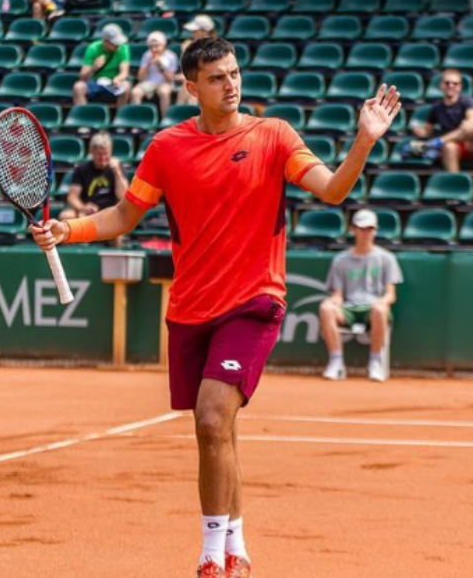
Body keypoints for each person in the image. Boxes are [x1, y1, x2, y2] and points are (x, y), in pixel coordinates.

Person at [30, 37, 400, 578]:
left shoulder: (273, 135)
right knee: (220, 432)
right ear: (191, 87)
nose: (231, 85)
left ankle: (209, 556)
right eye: (217, 78)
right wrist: (70, 229)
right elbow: (124, 216)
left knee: (210, 418)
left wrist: (364, 142)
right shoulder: (167, 147)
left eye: (234, 73)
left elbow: (333, 191)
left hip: (255, 300)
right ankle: (237, 543)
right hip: (191, 306)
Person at [319, 208, 403, 383]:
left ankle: (375, 362)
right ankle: (336, 362)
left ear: (375, 231)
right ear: (353, 230)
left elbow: (391, 294)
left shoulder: (387, 258)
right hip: (348, 308)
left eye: (370, 229)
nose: (366, 233)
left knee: (380, 309)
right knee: (326, 308)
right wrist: (333, 301)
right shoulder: (340, 260)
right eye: (362, 228)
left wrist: (381, 303)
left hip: (373, 309)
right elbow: (338, 294)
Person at [407, 68, 473, 172]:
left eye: (455, 83)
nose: (451, 86)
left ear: (460, 86)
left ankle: (439, 142)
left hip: (471, 145)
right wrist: (419, 131)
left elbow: (472, 120)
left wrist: (441, 140)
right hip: (451, 146)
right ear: (441, 85)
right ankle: (455, 183)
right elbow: (426, 131)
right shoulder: (437, 107)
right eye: (447, 83)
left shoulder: (467, 101)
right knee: (449, 147)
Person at [60, 132, 128, 219]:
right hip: (88, 210)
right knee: (66, 216)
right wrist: (83, 207)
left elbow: (123, 196)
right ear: (92, 152)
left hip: (111, 211)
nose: (103, 158)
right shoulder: (81, 170)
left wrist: (117, 172)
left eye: (106, 154)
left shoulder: (117, 168)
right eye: (99, 155)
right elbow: (72, 197)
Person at [72, 24, 131, 107]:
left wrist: (118, 79)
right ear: (105, 41)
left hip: (113, 83)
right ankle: (84, 115)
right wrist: (94, 68)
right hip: (96, 82)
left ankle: (120, 115)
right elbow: (83, 76)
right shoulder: (93, 48)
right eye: (114, 44)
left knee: (126, 86)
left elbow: (124, 72)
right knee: (78, 87)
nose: (117, 46)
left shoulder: (123, 48)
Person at [130, 31, 179, 115]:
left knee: (164, 92)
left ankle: (165, 119)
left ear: (163, 45)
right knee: (135, 92)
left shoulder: (171, 56)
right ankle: (137, 119)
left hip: (165, 83)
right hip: (149, 82)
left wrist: (160, 66)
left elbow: (171, 78)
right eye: (151, 47)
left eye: (156, 46)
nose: (153, 49)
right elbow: (140, 77)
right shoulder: (147, 55)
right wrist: (148, 64)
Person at [176, 15, 218, 106]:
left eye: (195, 31)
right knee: (188, 88)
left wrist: (187, 52)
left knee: (189, 87)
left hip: (211, 81)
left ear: (204, 32)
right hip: (198, 80)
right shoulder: (195, 45)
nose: (192, 34)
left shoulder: (214, 46)